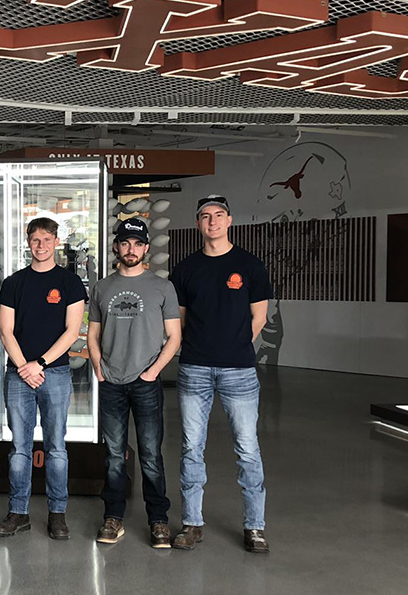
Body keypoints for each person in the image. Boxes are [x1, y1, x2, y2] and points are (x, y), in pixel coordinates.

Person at [171, 194, 272, 554]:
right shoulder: (185, 269)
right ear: (198, 224)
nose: (212, 221)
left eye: (218, 215)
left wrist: (235, 345)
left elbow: (258, 316)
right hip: (194, 368)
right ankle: (192, 523)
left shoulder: (250, 266)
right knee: (191, 448)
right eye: (205, 216)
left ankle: (255, 527)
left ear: (229, 221)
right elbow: (179, 319)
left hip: (240, 370)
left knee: (247, 449)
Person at [88, 218, 182, 548]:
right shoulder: (101, 287)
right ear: (117, 247)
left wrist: (153, 372)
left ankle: (158, 520)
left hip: (146, 383)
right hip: (112, 382)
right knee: (114, 454)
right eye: (125, 243)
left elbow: (174, 336)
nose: (131, 249)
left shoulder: (162, 287)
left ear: (146, 249)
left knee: (151, 455)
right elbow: (93, 333)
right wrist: (99, 368)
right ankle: (113, 517)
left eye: (137, 244)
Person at [0, 217, 86, 539]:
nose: (41, 246)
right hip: (18, 375)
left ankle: (57, 514)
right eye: (35, 240)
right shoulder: (13, 283)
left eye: (47, 240)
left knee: (56, 447)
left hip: (56, 373)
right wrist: (24, 367)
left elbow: (72, 331)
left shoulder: (70, 283)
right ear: (28, 242)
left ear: (56, 242)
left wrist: (40, 364)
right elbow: (5, 330)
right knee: (19, 448)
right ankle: (18, 512)